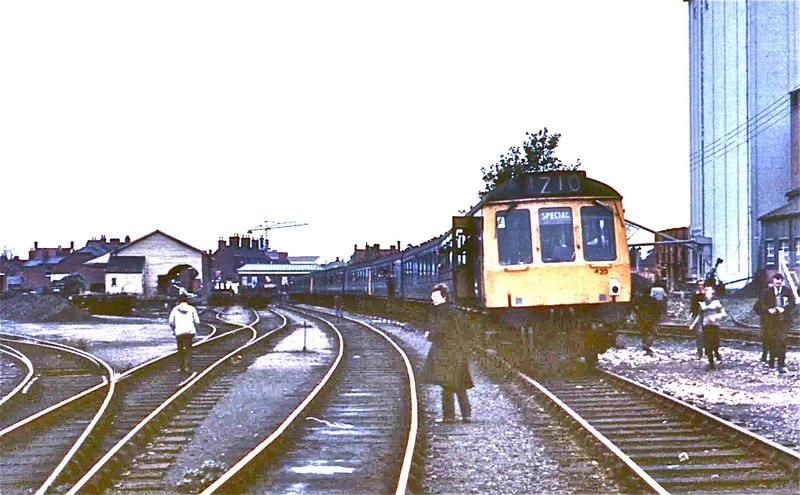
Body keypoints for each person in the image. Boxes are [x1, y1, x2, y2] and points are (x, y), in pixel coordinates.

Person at [421, 283, 474, 423]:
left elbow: (441, 330)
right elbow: (466, 329)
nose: (433, 299)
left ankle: (449, 416)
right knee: (457, 384)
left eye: (436, 297)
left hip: (446, 353)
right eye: (433, 297)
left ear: (444, 297)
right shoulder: (454, 311)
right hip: (457, 352)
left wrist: (429, 335)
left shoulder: (442, 312)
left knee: (447, 385)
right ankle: (465, 415)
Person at [755, 273, 795, 373]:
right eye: (776, 282)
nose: (777, 283)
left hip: (783, 320)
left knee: (782, 340)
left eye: (779, 281)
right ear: (773, 281)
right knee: (772, 341)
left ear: (782, 281)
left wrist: (784, 309)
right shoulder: (767, 292)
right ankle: (771, 361)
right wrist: (768, 310)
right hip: (771, 321)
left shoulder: (787, 291)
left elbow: (792, 304)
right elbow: (760, 305)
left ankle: (781, 363)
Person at [169, 293, 199, 373]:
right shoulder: (192, 309)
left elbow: (171, 322)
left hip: (179, 332)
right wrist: (195, 328)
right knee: (189, 349)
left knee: (180, 350)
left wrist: (174, 329)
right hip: (190, 332)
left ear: (179, 300)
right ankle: (189, 367)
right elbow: (197, 321)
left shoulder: (175, 309)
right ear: (187, 300)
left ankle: (182, 368)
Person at [698, 286, 725, 370]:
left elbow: (723, 314)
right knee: (707, 344)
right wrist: (699, 326)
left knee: (714, 343)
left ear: (712, 294)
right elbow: (700, 316)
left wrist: (716, 317)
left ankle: (716, 353)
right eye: (706, 293)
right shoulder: (702, 304)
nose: (707, 294)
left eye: (709, 293)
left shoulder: (716, 303)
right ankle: (711, 363)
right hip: (706, 326)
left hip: (714, 326)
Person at [634, 287, 660, 355]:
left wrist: (637, 312)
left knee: (643, 332)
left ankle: (645, 345)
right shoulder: (653, 300)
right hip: (649, 317)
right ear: (650, 292)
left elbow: (632, 306)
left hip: (640, 317)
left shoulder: (638, 299)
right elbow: (657, 310)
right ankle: (647, 344)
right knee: (655, 333)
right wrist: (655, 319)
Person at [689, 279, 706, 358]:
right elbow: (692, 304)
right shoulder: (694, 294)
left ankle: (706, 351)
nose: (700, 286)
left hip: (706, 316)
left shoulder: (707, 294)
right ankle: (700, 352)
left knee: (706, 333)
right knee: (699, 333)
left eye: (702, 285)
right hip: (697, 315)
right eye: (699, 285)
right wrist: (691, 313)